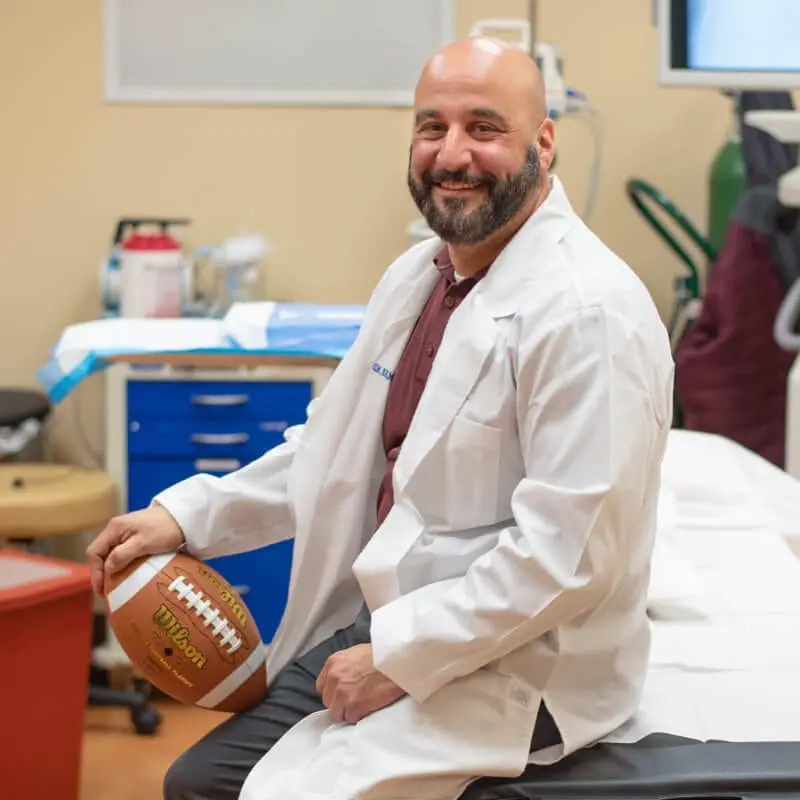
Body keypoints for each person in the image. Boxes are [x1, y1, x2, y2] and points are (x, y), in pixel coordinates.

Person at [87, 36, 674, 800]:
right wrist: (189, 515)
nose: (452, 153)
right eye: (432, 127)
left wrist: (398, 656)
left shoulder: (586, 311)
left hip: (523, 666)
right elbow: (333, 450)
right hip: (403, 621)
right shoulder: (419, 278)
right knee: (198, 781)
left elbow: (567, 560)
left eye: (484, 127)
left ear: (544, 142)